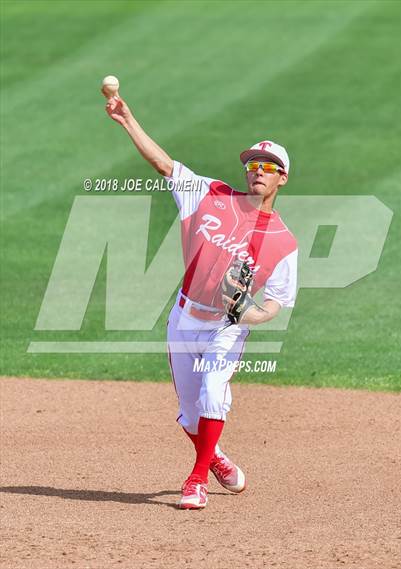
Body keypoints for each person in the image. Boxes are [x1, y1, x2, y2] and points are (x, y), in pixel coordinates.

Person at [103, 94, 298, 510]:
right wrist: (127, 119)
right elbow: (164, 164)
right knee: (190, 415)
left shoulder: (283, 241)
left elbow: (278, 301)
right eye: (253, 165)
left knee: (213, 394)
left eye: (268, 167)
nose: (258, 172)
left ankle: (196, 480)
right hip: (184, 318)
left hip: (227, 327)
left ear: (282, 178)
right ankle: (216, 458)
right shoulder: (209, 194)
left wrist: (254, 314)